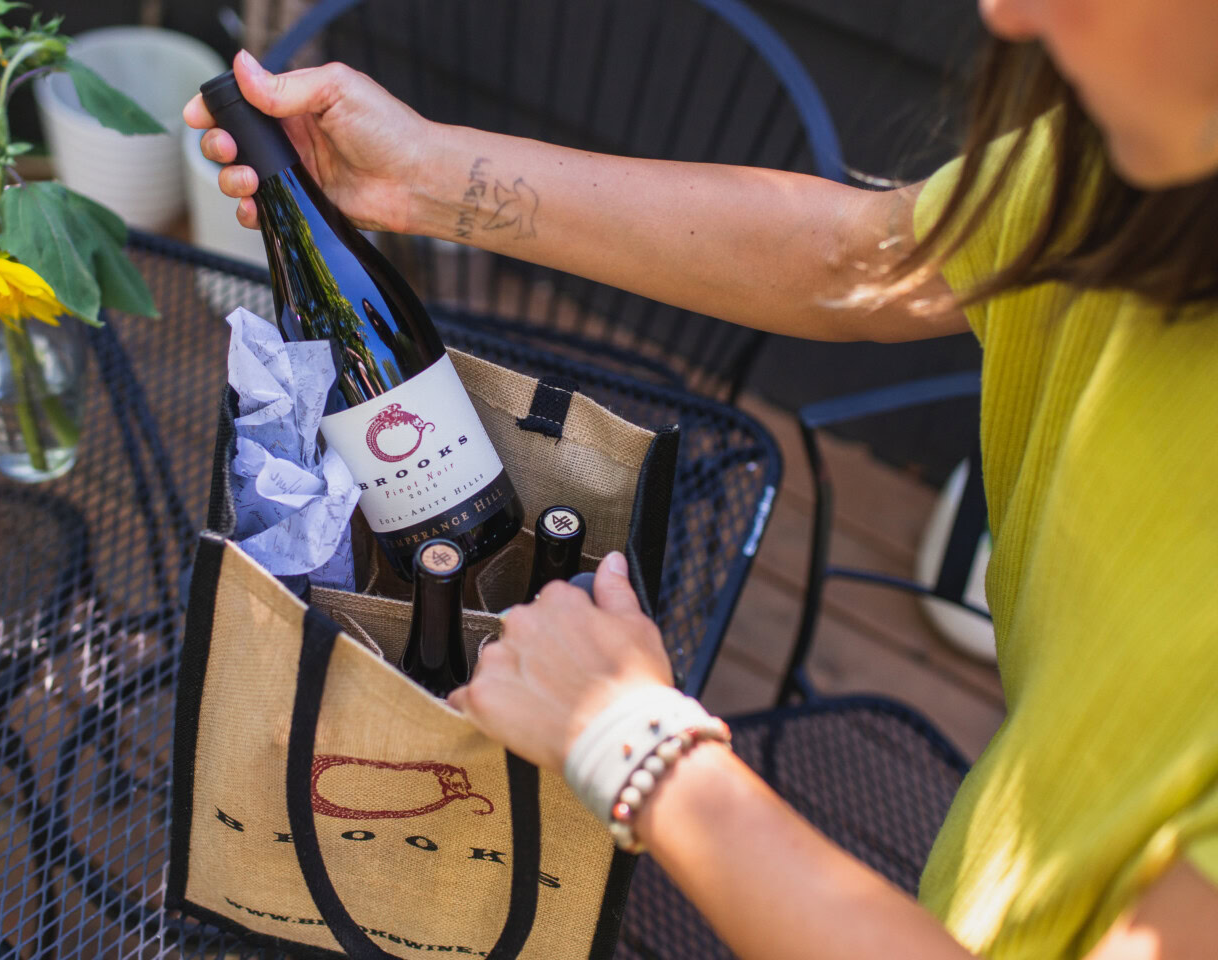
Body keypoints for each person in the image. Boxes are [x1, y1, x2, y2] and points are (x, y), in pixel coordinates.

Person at [185, 0, 1218, 954]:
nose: (1006, 12)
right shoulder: (1143, 180)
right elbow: (861, 259)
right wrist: (420, 176)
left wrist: (636, 746)